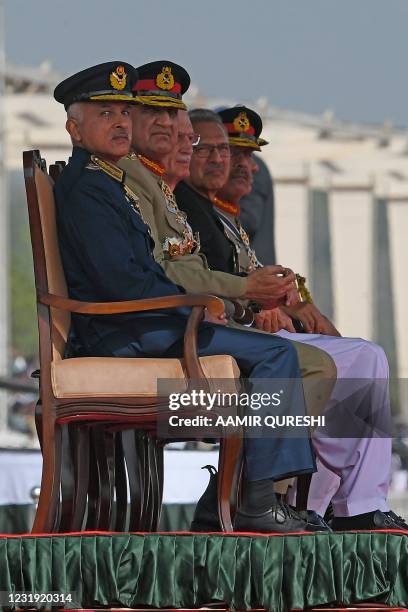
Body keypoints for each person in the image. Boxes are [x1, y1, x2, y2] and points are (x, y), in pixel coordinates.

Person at [53, 61, 319, 534]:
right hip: (124, 332)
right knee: (276, 354)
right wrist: (194, 303)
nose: (119, 123)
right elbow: (123, 284)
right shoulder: (90, 189)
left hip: (141, 322)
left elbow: (140, 274)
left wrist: (193, 301)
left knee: (273, 353)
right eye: (104, 114)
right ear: (74, 129)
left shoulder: (107, 182)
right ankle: (258, 502)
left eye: (122, 113)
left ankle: (255, 498)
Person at [175, 104, 407, 531]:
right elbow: (203, 281)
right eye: (213, 150)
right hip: (210, 335)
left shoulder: (219, 213)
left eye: (238, 155)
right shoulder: (187, 205)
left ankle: (332, 505)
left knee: (358, 363)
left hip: (236, 330)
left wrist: (290, 300)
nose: (237, 165)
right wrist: (261, 305)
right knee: (354, 363)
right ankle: (340, 505)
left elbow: (253, 275)